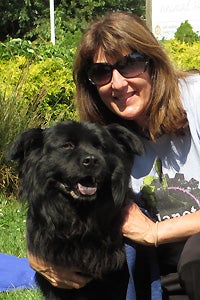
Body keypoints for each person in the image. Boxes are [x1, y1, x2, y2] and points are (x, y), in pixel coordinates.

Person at [28, 11, 200, 299]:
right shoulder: (102, 141)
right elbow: (51, 198)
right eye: (101, 72)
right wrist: (39, 255)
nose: (117, 83)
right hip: (163, 273)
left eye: (130, 64)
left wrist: (154, 232)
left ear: (153, 63)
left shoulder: (195, 98)